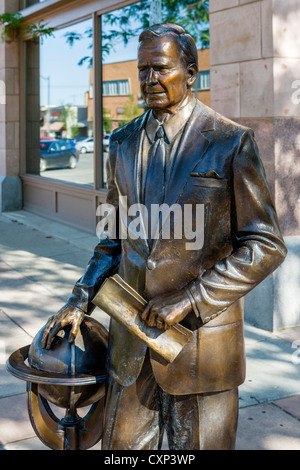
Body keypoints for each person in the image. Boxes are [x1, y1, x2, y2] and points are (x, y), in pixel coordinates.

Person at [42, 24, 287, 450]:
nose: (148, 80)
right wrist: (79, 298)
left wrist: (191, 298)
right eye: (142, 70)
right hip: (131, 349)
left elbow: (266, 244)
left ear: (190, 73)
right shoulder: (121, 142)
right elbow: (111, 239)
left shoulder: (230, 142)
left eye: (160, 68)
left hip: (203, 348)